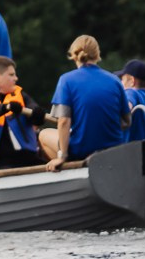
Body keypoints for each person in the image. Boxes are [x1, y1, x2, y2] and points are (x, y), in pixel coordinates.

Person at [45, 34, 131, 166]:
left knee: (43, 134)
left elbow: (63, 122)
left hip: (81, 150)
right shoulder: (115, 81)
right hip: (114, 151)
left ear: (73, 55)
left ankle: (66, 165)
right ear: (97, 55)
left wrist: (62, 155)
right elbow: (126, 121)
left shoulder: (66, 80)